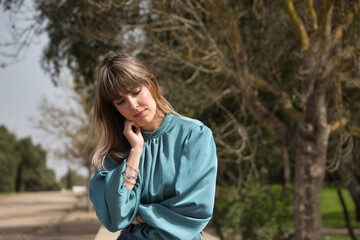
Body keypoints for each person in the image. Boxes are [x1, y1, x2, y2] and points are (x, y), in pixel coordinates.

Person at [89, 52, 217, 240]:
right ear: (114, 108)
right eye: (121, 101)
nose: (133, 105)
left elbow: (194, 209)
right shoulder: (117, 149)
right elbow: (117, 218)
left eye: (135, 91)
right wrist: (135, 150)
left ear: (150, 83)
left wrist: (137, 213)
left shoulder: (194, 135)